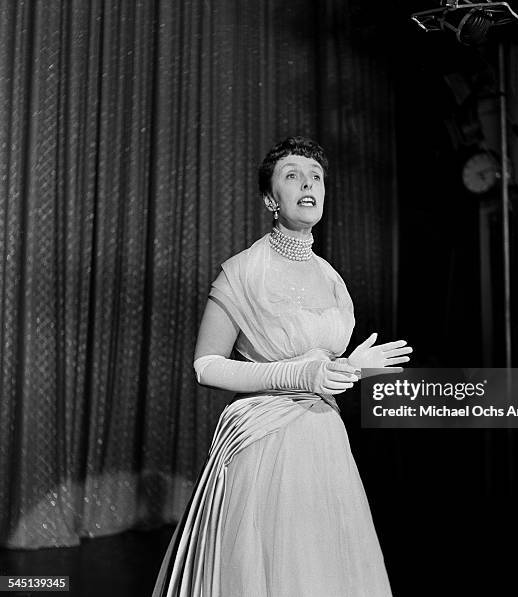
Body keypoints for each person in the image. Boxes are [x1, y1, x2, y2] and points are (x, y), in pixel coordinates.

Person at [152, 136, 412, 597]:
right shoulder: (243, 271)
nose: (308, 183)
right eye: (293, 175)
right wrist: (296, 375)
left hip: (323, 436)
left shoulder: (333, 279)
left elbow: (324, 365)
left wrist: (353, 367)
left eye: (316, 176)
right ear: (271, 199)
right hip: (264, 438)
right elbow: (206, 366)